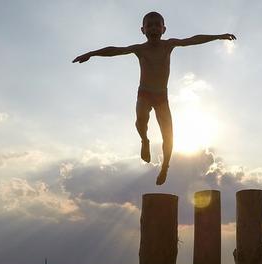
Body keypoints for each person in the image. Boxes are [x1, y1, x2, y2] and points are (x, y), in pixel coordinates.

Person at [73, 11, 236, 185]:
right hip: (144, 93)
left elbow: (192, 40)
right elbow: (115, 50)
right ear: (142, 30)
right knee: (141, 120)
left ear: (163, 29)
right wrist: (91, 53)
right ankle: (145, 140)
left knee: (168, 135)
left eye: (157, 25)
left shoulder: (169, 45)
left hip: (161, 97)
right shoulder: (139, 49)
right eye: (149, 25)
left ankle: (165, 167)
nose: (153, 28)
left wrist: (217, 36)